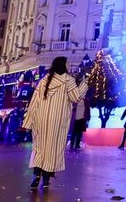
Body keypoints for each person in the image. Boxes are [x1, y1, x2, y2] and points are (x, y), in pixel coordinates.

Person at [21, 57, 84, 191]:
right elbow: (76, 98)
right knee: (52, 150)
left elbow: (34, 102)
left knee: (40, 149)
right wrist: (84, 84)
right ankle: (46, 180)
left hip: (41, 120)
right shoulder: (68, 80)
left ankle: (37, 175)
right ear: (63, 65)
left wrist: (28, 122)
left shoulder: (44, 80)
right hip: (57, 121)